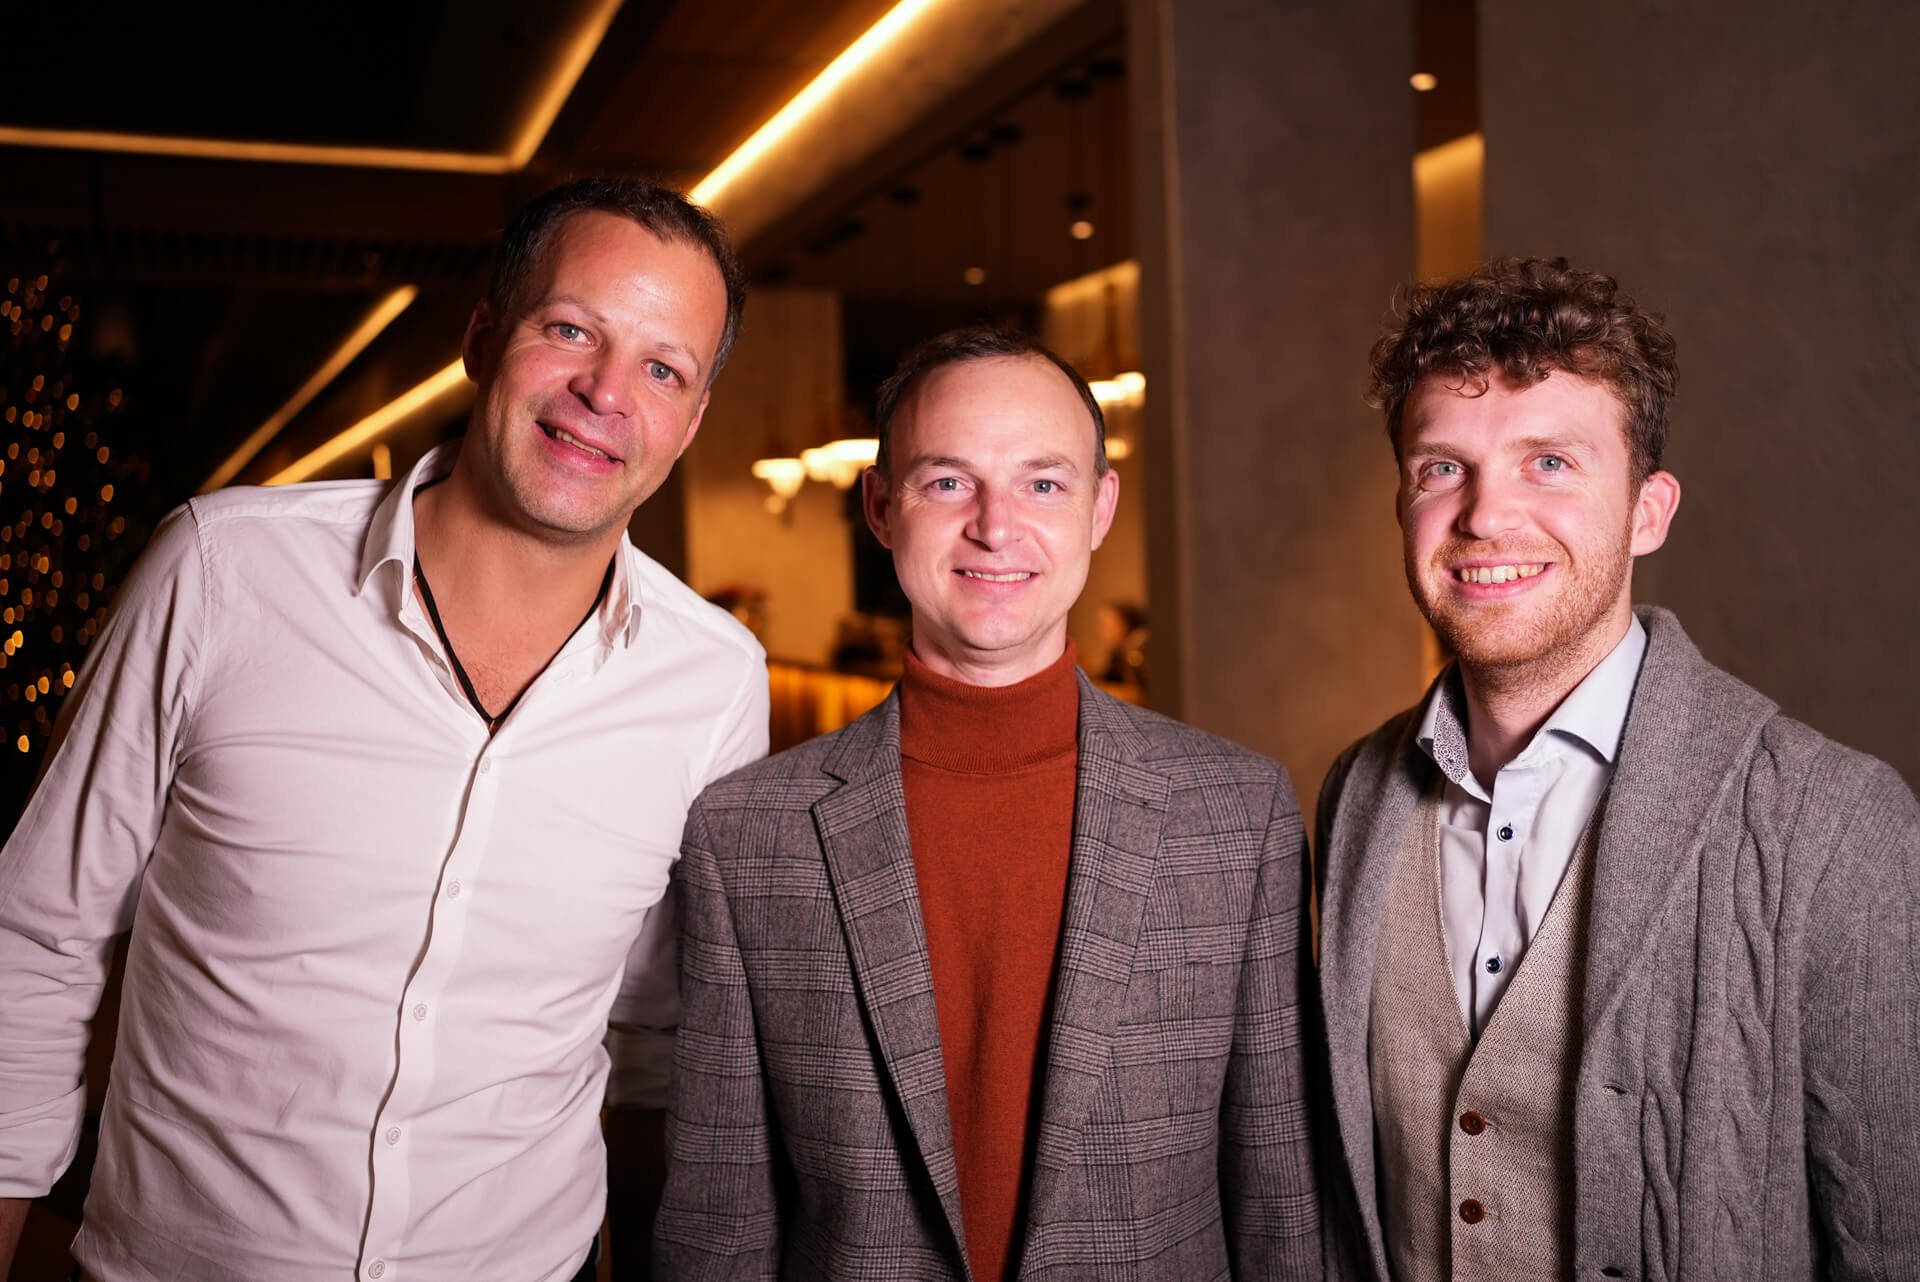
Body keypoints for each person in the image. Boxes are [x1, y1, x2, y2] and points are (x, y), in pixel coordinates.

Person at [0, 178, 769, 1282]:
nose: (606, 391)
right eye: (570, 330)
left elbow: (653, 1046)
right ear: (482, 337)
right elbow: (37, 945)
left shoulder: (715, 681)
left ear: (690, 421)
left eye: (662, 367)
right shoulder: (221, 573)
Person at [655, 327, 1320, 1280]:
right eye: (947, 482)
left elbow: (1279, 1202)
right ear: (881, 509)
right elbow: (720, 1221)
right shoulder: (747, 835)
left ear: (1100, 508)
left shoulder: (1239, 815)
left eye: (1043, 483)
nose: (995, 527)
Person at [1313, 257, 1919, 1280]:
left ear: (1649, 510)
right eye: (1441, 468)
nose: (1485, 516)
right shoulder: (1355, 794)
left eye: (1550, 462)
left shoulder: (1839, 823)